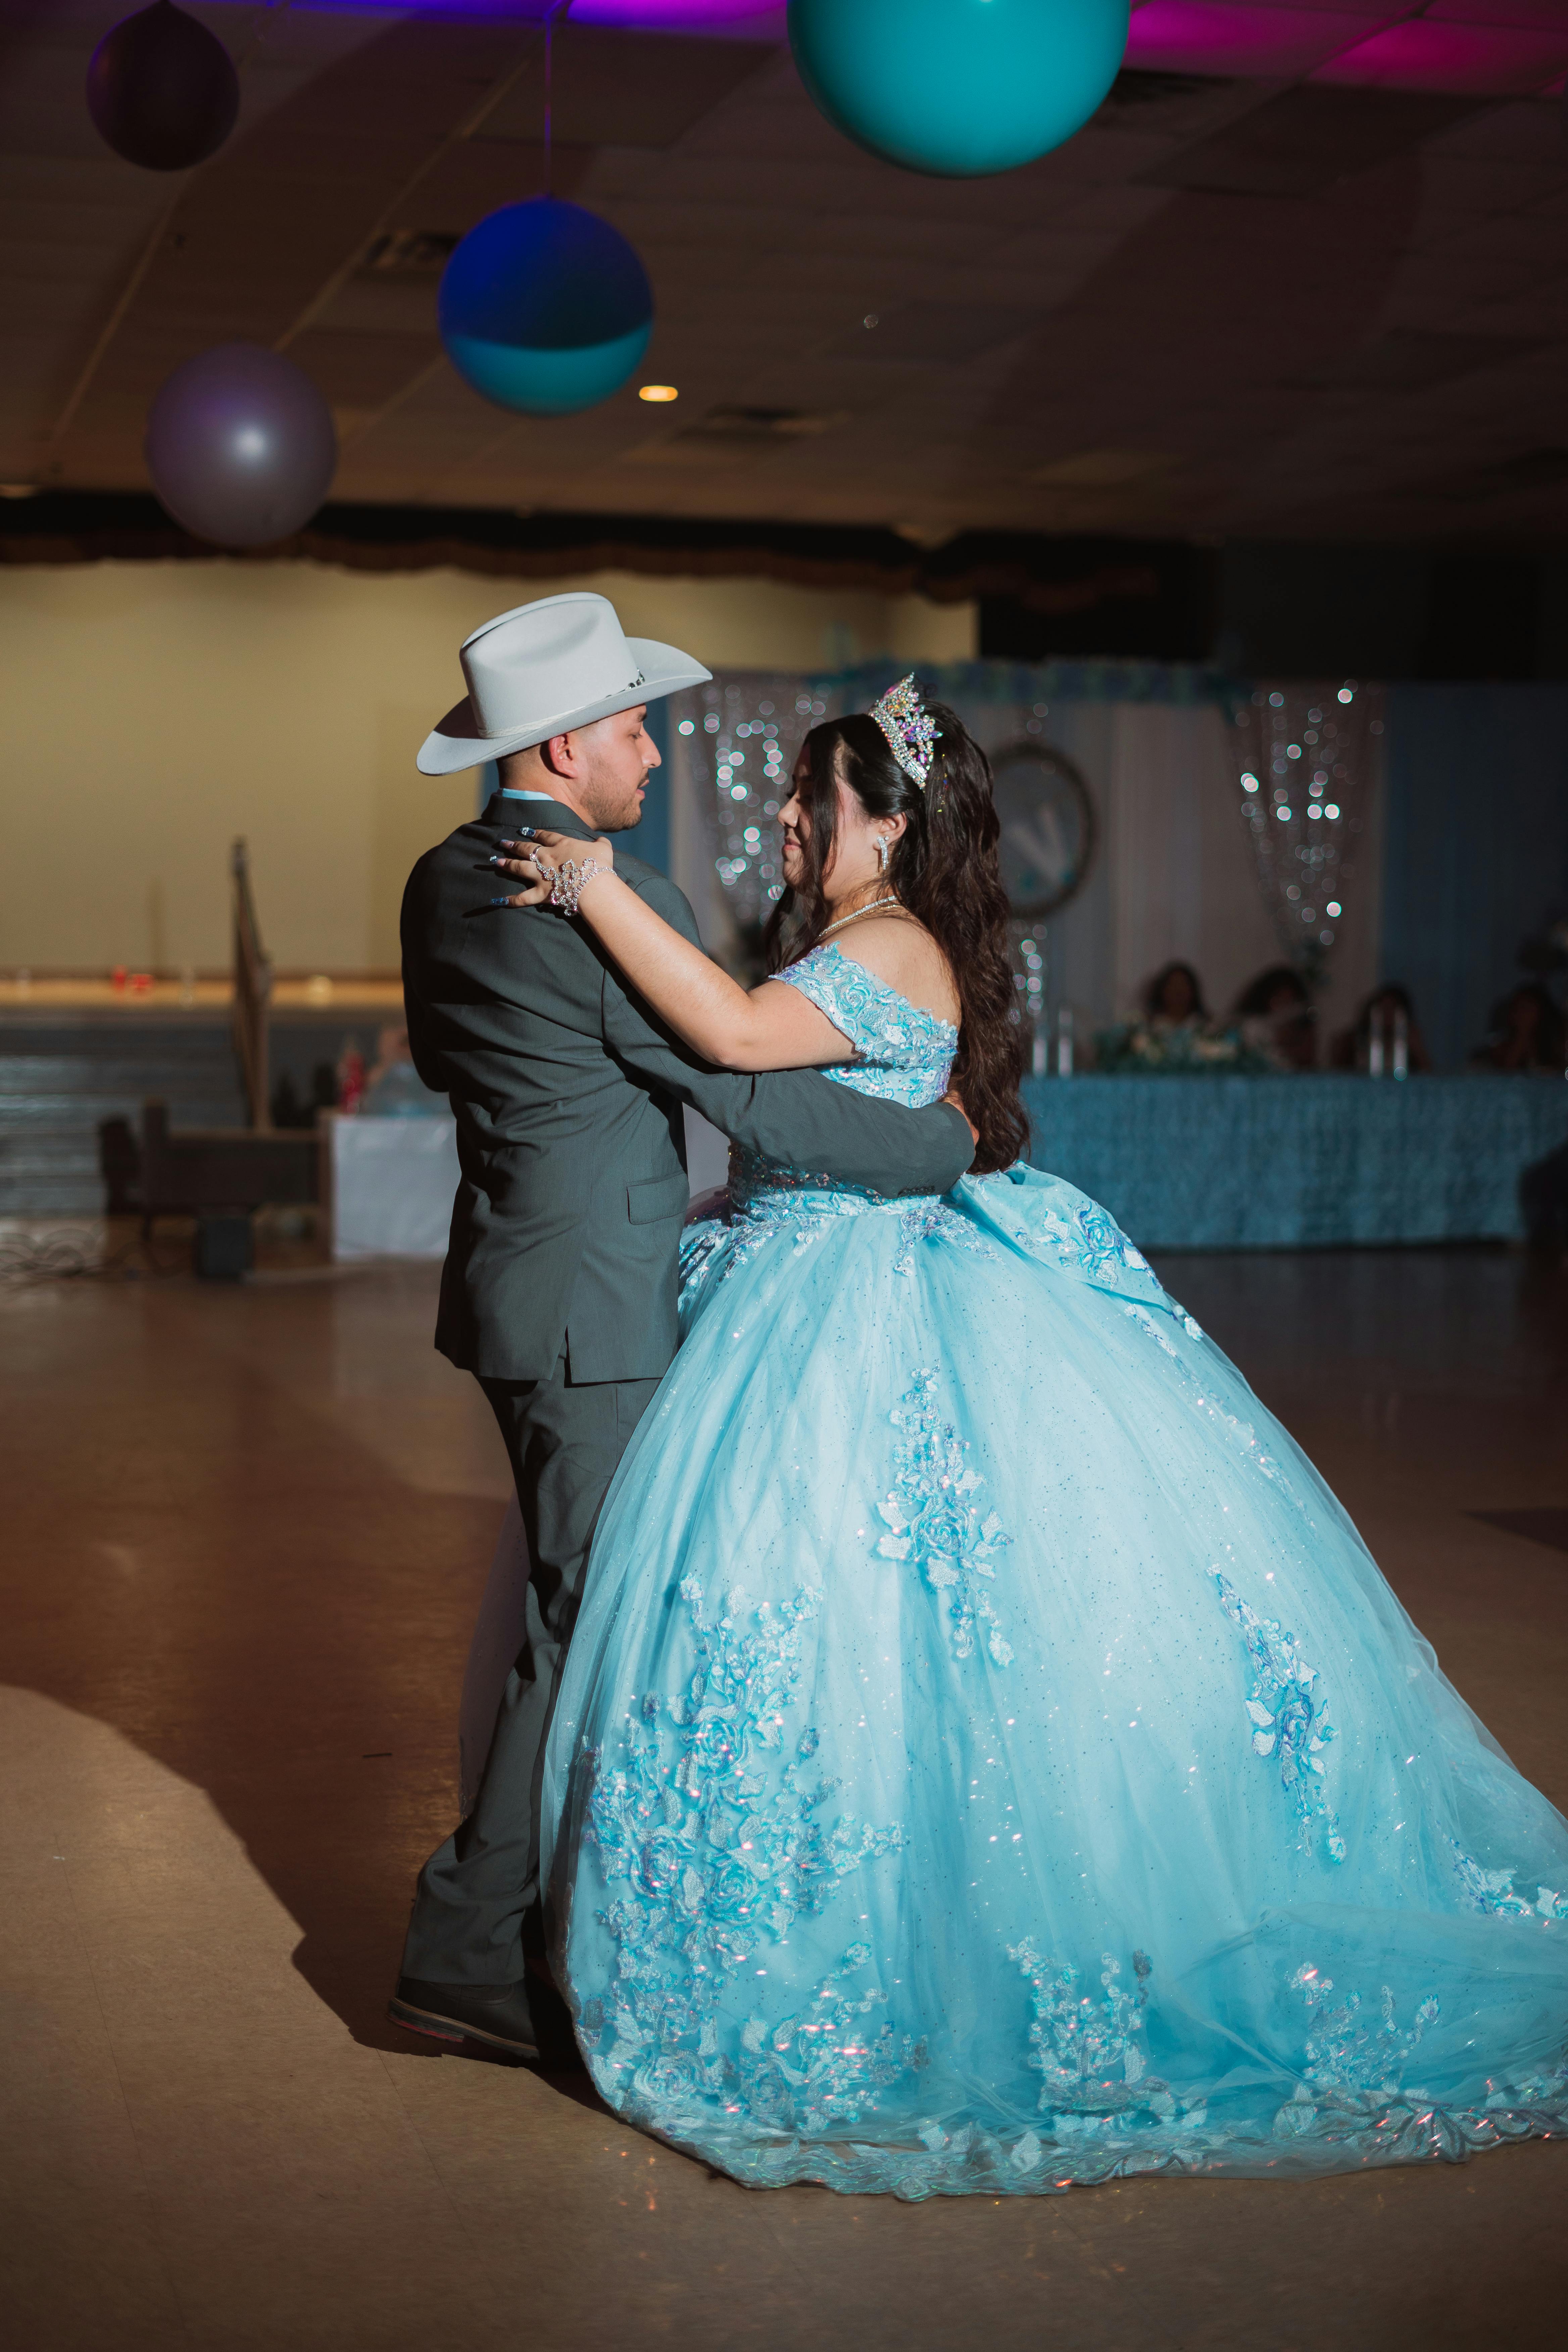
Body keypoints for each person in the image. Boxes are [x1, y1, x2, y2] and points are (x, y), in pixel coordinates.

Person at [485, 675, 1568, 2198]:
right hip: (793, 1271)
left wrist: (592, 883)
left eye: (811, 798)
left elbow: (725, 1032)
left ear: (886, 822)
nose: (787, 819)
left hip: (845, 1301)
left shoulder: (885, 945)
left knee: (887, 1604)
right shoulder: (862, 937)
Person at [387, 600, 975, 2062]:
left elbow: (435, 1052)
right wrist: (944, 1146)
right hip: (591, 1303)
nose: (655, 753)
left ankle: (525, 1924)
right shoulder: (574, 890)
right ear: (570, 742)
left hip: (518, 1281)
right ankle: (471, 1951)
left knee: (567, 1605)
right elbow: (741, 1082)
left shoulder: (440, 876)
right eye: (639, 727)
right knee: (591, 1619)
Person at [1331, 984, 1432, 1074]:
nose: (1387, 1014)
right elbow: (1338, 1074)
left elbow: (1428, 1075)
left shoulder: (1409, 1039)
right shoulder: (1353, 1039)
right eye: (1383, 1008)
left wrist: (1418, 1049)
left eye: (1392, 1008)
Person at [1471, 983, 1567, 1074]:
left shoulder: (1555, 1042)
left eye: (1528, 1009)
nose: (1523, 1015)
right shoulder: (1500, 1047)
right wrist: (1522, 1035)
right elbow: (1506, 1074)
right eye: (1519, 1008)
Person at [1235, 964, 1316, 1070]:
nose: (1286, 1010)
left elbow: (1307, 1059)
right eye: (1278, 1001)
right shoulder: (1249, 1027)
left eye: (1291, 1003)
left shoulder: (1303, 1030)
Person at [1142, 960, 1208, 1031]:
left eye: (1183, 985)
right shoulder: (1149, 1027)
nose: (1178, 991)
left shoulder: (1206, 1027)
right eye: (1173, 985)